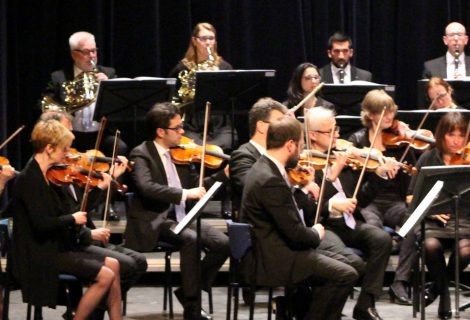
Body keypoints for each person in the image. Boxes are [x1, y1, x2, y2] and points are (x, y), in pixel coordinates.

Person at [239, 115, 358, 320]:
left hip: (277, 248)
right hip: (275, 257)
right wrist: (316, 233)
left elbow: (287, 212)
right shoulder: (269, 180)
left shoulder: (266, 168)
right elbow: (296, 234)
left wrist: (301, 189)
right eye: (301, 145)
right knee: (345, 275)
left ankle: (296, 308)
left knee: (347, 263)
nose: (302, 151)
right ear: (290, 145)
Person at [6, 120, 122, 319]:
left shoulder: (49, 175)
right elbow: (41, 225)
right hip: (38, 253)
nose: (67, 154)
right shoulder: (28, 179)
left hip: (55, 246)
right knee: (106, 275)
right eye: (64, 149)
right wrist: (72, 219)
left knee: (114, 264)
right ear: (49, 148)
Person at [124, 102, 229, 320]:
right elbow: (146, 187)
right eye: (177, 128)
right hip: (156, 219)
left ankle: (188, 289)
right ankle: (192, 306)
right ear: (161, 132)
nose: (183, 132)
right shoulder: (141, 153)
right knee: (190, 239)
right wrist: (184, 194)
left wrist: (223, 174)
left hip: (182, 217)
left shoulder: (181, 153)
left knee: (223, 244)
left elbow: (198, 187)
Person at [39, 110, 148, 319]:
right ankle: (88, 312)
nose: (73, 139)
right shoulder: (48, 174)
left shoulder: (68, 167)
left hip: (82, 235)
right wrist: (89, 234)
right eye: (67, 132)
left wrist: (108, 182)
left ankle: (89, 309)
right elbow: (66, 220)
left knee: (139, 261)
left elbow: (84, 207)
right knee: (126, 265)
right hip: (70, 243)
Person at [306, 106, 393, 320]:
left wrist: (378, 176)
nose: (337, 135)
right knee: (351, 263)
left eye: (336, 130)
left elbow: (361, 199)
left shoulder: (344, 156)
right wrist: (332, 182)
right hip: (324, 225)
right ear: (313, 135)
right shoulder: (306, 163)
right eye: (330, 131)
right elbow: (310, 207)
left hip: (349, 223)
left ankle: (365, 304)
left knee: (381, 238)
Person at [348, 89, 417, 306]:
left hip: (394, 202)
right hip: (369, 202)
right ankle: (371, 286)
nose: (389, 118)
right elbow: (354, 185)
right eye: (383, 113)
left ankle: (400, 282)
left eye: (391, 113)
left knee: (412, 223)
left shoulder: (400, 140)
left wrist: (408, 141)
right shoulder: (357, 141)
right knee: (374, 231)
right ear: (369, 114)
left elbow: (413, 170)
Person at [408, 112, 470, 319]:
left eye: (462, 136)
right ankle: (444, 295)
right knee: (430, 246)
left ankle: (436, 289)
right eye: (452, 135)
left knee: (465, 251)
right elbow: (410, 197)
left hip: (463, 220)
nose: (457, 141)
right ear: (442, 135)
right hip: (432, 221)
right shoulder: (428, 157)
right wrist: (433, 212)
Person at [41, 31, 126, 156]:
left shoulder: (109, 73)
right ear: (74, 54)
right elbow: (44, 104)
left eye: (94, 51)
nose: (92, 56)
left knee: (120, 147)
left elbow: (119, 104)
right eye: (86, 52)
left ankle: (112, 176)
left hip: (100, 134)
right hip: (71, 133)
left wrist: (108, 86)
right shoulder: (59, 77)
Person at [169, 22, 235, 151]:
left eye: (211, 38)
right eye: (203, 39)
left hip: (219, 125)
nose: (208, 42)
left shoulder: (224, 67)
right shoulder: (183, 68)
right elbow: (172, 99)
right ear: (194, 41)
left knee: (226, 144)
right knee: (194, 147)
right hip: (191, 124)